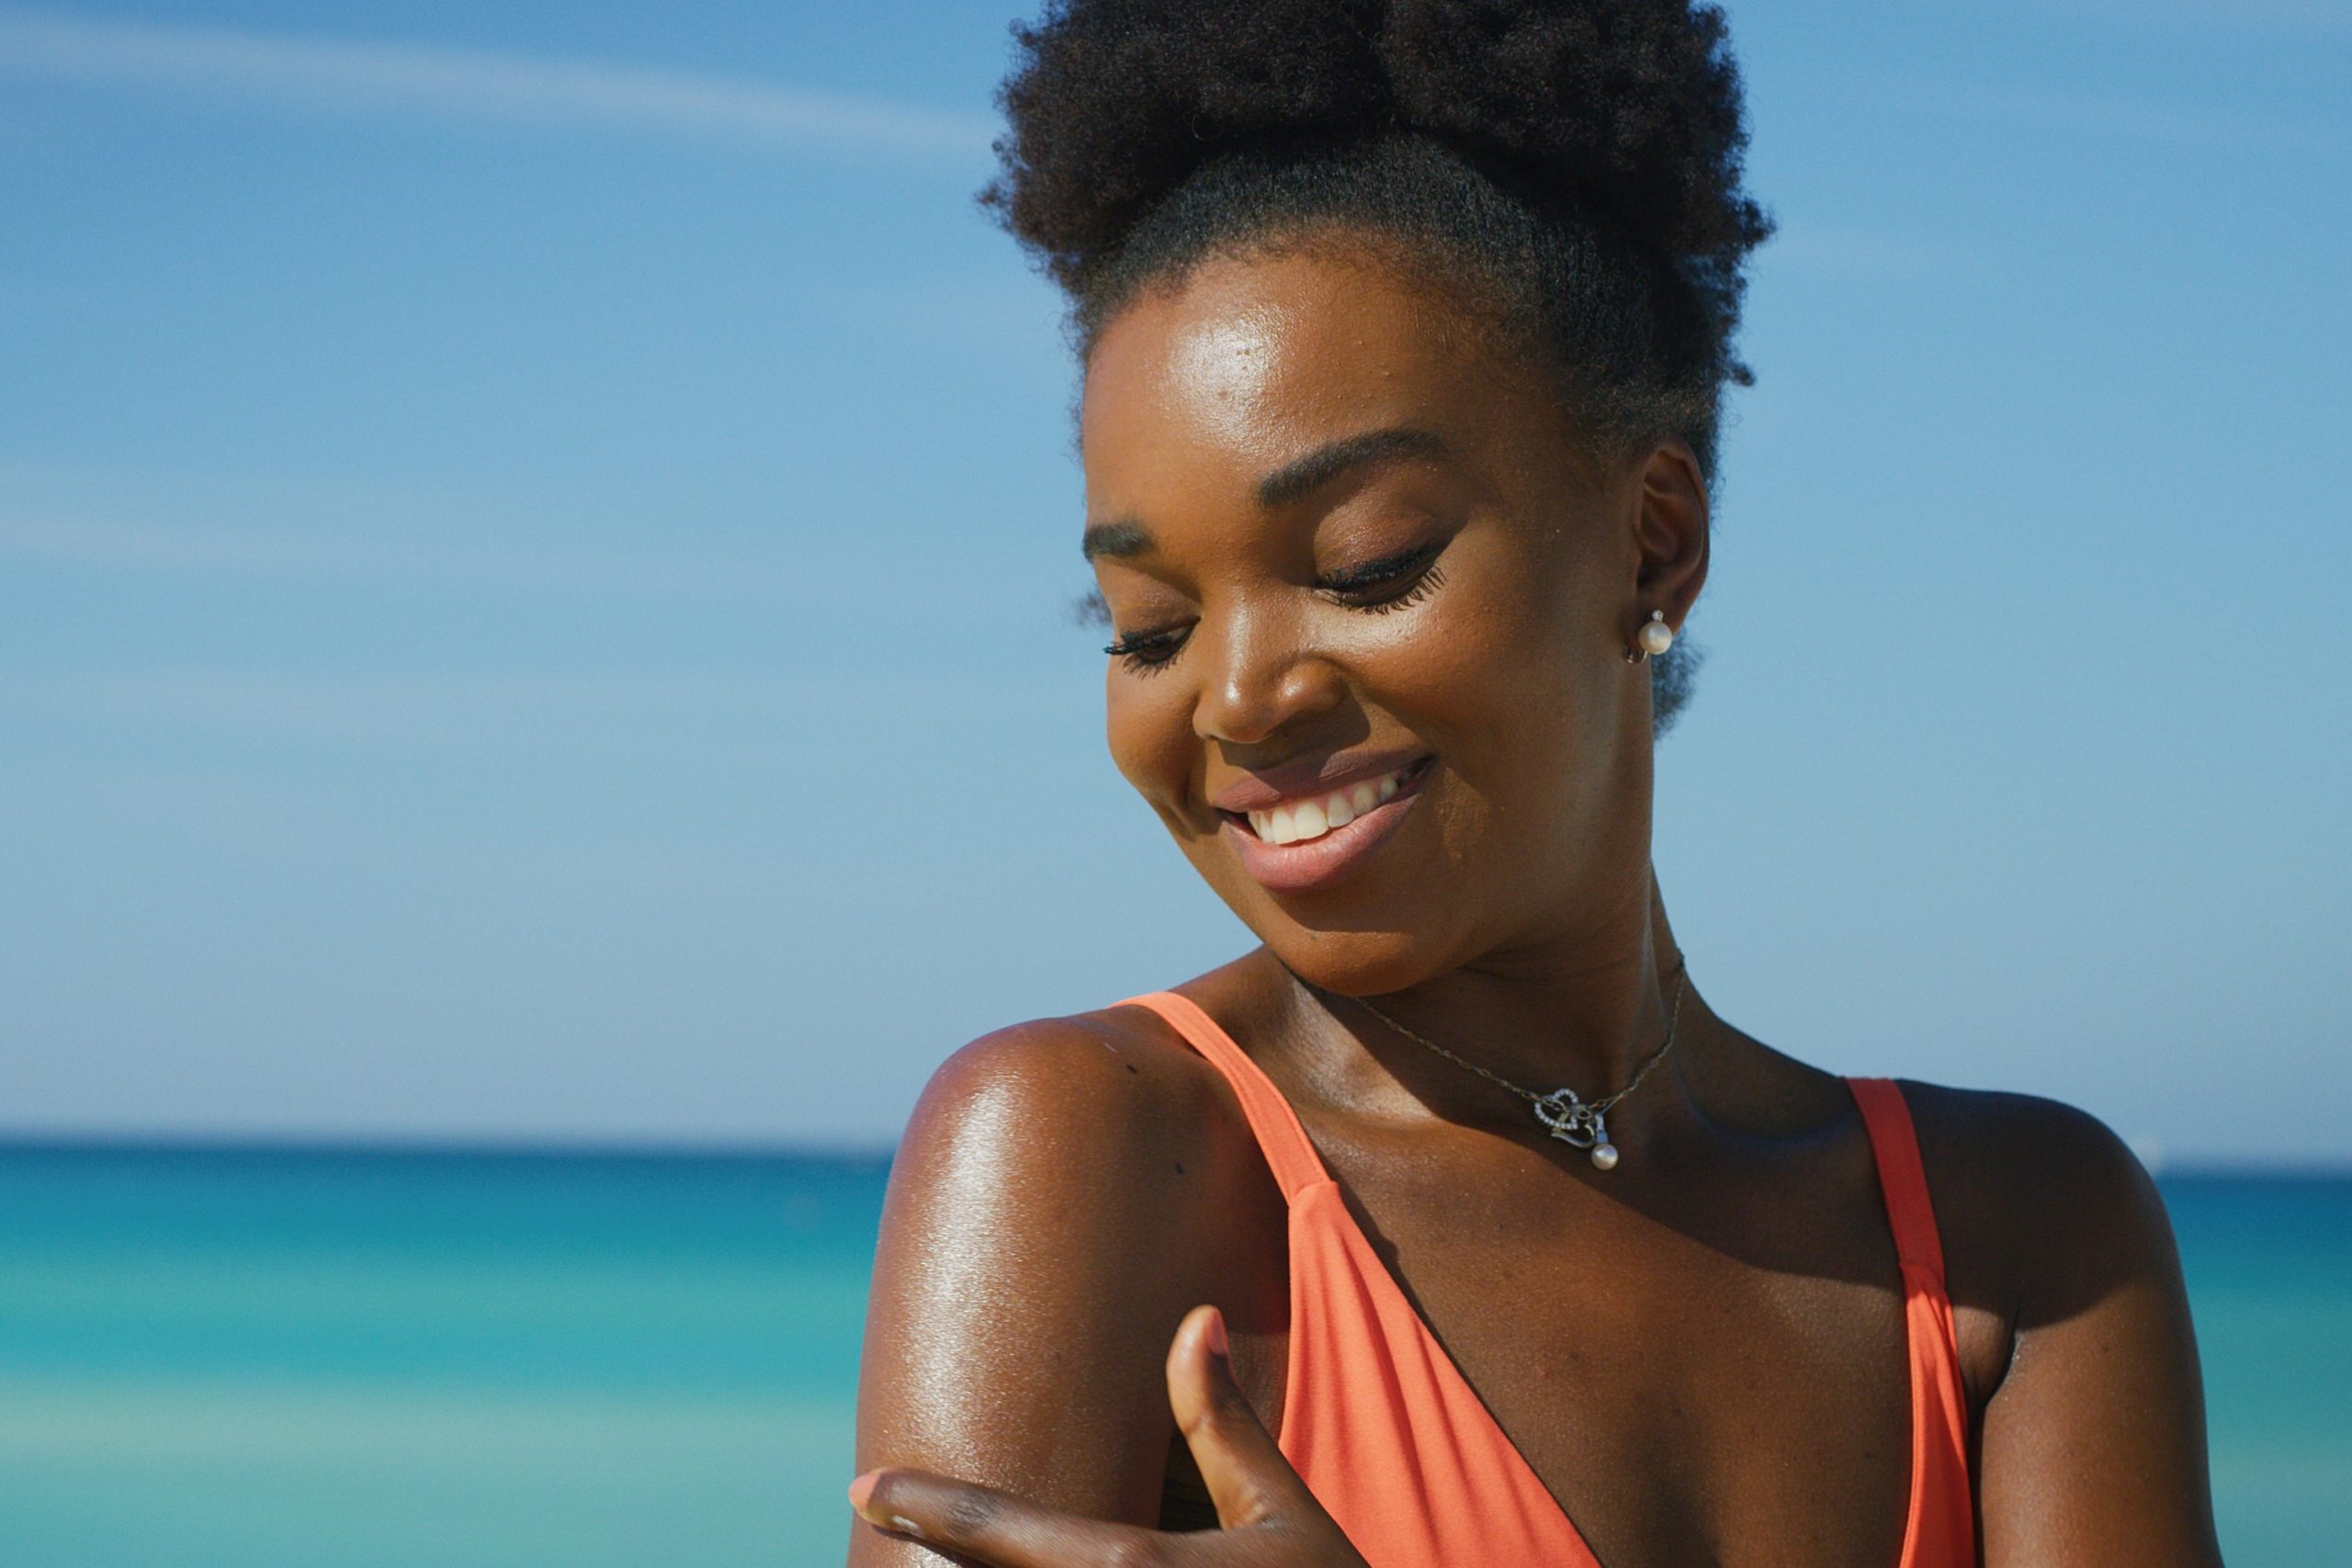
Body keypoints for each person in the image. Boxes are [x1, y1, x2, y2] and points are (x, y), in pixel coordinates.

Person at [843, 2, 2222, 1563]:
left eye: (1367, 566)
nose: (1236, 699)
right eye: (1147, 625)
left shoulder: (2026, 1244)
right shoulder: (1088, 1157)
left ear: (1652, 541)